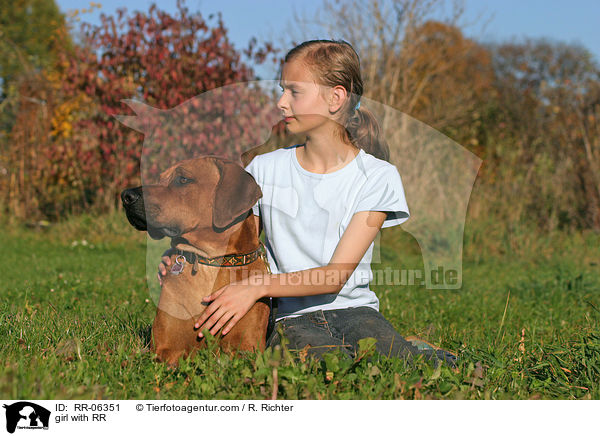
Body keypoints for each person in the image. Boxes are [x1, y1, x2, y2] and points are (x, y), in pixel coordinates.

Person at [158, 39, 456, 366]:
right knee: (330, 367)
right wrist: (182, 258)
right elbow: (231, 245)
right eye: (281, 91)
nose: (281, 103)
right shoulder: (263, 169)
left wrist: (256, 287)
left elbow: (335, 277)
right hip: (289, 318)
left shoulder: (378, 176)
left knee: (398, 367)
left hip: (356, 312)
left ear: (335, 97)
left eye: (293, 92)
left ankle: (423, 353)